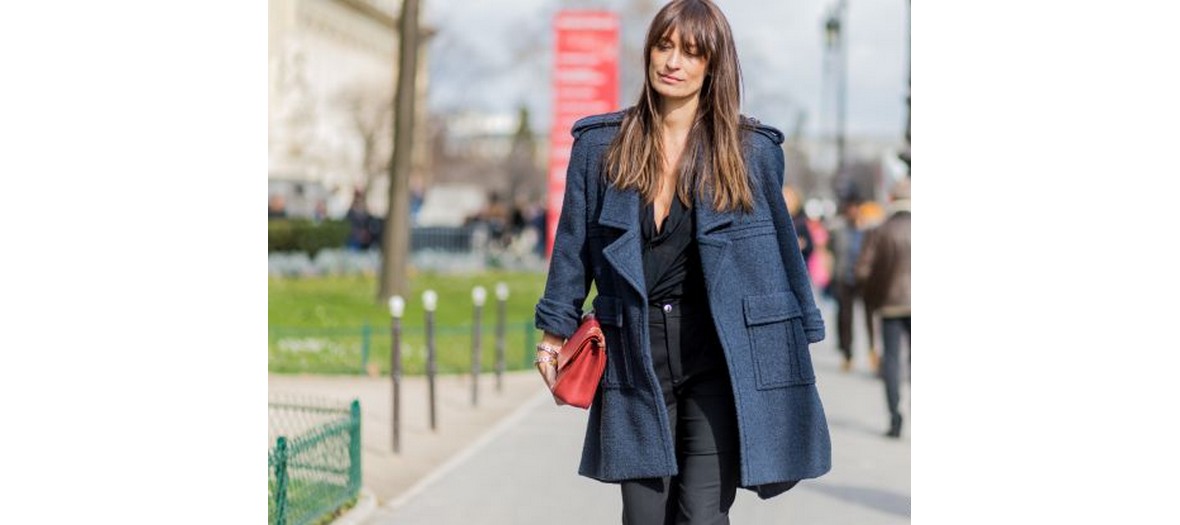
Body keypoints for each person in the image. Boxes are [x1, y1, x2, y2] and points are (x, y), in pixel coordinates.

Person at [532, 1, 830, 522]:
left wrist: (797, 338)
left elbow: (780, 254)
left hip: (716, 350)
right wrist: (553, 330)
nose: (673, 61)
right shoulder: (602, 147)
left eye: (692, 52)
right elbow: (573, 245)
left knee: (701, 514)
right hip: (633, 350)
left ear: (713, 65)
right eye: (664, 46)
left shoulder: (748, 152)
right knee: (644, 515)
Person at [856, 177, 911, 438]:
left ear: (891, 199)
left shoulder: (880, 230)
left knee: (891, 360)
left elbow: (863, 271)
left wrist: (876, 294)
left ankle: (895, 417)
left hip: (889, 305)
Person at [828, 191, 879, 373]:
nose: (854, 212)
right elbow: (831, 251)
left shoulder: (869, 231)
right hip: (844, 278)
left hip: (865, 280)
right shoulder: (839, 230)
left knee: (870, 318)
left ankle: (873, 352)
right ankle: (847, 354)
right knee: (845, 318)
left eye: (856, 208)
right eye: (850, 209)